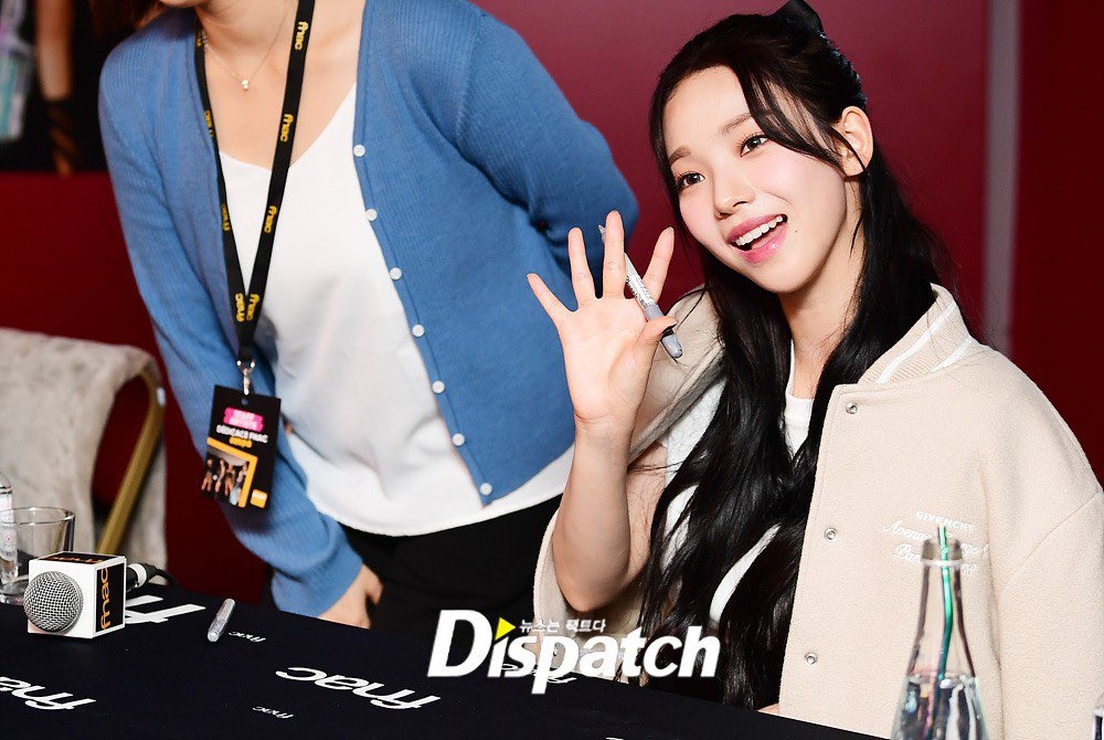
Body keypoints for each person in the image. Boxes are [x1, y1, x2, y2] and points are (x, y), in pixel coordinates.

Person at [527, 1, 1103, 737]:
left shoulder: (996, 419)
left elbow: (1065, 708)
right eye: (690, 176)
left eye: (753, 142)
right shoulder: (696, 364)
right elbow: (586, 592)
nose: (725, 197)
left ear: (849, 142)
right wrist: (602, 427)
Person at [98, 0, 636, 638]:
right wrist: (310, 563)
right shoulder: (137, 89)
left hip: (526, 512)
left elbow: (598, 223)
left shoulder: (426, 35)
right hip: (328, 523)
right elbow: (196, 350)